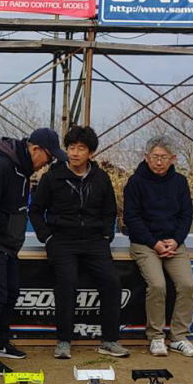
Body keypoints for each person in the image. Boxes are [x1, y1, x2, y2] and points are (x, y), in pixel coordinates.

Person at [31, 125, 129, 361]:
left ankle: (110, 340)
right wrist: (48, 237)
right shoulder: (52, 177)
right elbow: (36, 211)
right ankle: (64, 341)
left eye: (81, 148)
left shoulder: (101, 178)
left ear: (91, 153)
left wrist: (106, 235)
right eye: (71, 148)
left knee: (112, 282)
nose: (75, 153)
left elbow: (110, 211)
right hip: (62, 241)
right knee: (66, 282)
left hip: (95, 241)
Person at [0, 127, 64, 373]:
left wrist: (13, 235)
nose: (47, 163)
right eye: (48, 157)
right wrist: (5, 230)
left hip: (10, 246)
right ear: (35, 149)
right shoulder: (1, 167)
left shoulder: (23, 171)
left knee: (11, 293)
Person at [124, 134, 193, 358]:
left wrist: (175, 240)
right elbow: (132, 218)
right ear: (146, 157)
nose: (159, 162)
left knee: (187, 285)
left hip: (174, 243)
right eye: (155, 157)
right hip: (145, 244)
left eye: (164, 157)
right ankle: (156, 336)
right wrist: (154, 243)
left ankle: (179, 337)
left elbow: (186, 215)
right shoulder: (135, 182)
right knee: (157, 285)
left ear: (173, 159)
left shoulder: (180, 182)